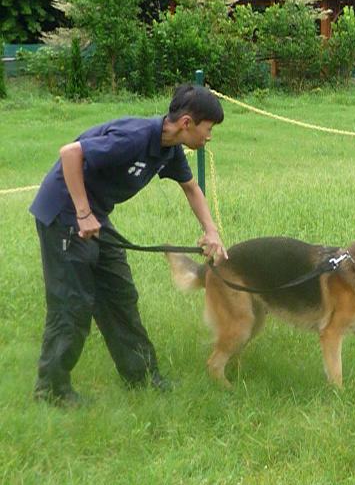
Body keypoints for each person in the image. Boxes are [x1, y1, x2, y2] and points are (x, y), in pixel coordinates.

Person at [29, 84, 229, 406]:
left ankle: (143, 377)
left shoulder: (170, 149)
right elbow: (70, 153)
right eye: (209, 129)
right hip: (65, 211)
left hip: (94, 215)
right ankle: (50, 390)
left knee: (120, 294)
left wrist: (211, 232)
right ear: (188, 123)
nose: (209, 137)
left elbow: (191, 188)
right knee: (73, 302)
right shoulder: (135, 137)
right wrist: (82, 213)